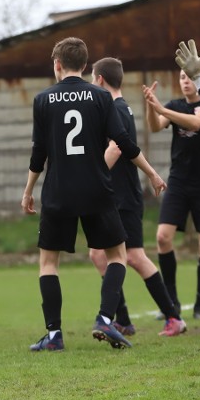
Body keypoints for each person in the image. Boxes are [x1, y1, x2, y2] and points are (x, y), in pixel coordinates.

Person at [21, 37, 166, 352]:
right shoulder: (101, 97)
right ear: (85, 66)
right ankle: (104, 318)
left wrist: (29, 190)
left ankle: (54, 335)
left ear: (57, 64)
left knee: (48, 264)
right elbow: (124, 143)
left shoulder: (43, 100)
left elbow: (38, 153)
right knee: (118, 255)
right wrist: (152, 172)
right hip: (97, 189)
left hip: (58, 191)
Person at [87, 58, 186, 337]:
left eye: (94, 79)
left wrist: (90, 176)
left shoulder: (115, 109)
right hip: (114, 197)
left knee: (134, 257)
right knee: (99, 255)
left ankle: (173, 317)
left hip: (124, 198)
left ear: (101, 80)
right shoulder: (119, 108)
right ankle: (123, 320)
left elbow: (117, 149)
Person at [143, 39, 200, 320]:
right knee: (163, 238)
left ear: (199, 78)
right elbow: (155, 127)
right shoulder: (174, 105)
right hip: (178, 181)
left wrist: (162, 110)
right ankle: (173, 302)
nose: (186, 81)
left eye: (190, 76)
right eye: (182, 76)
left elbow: (195, 123)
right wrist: (151, 106)